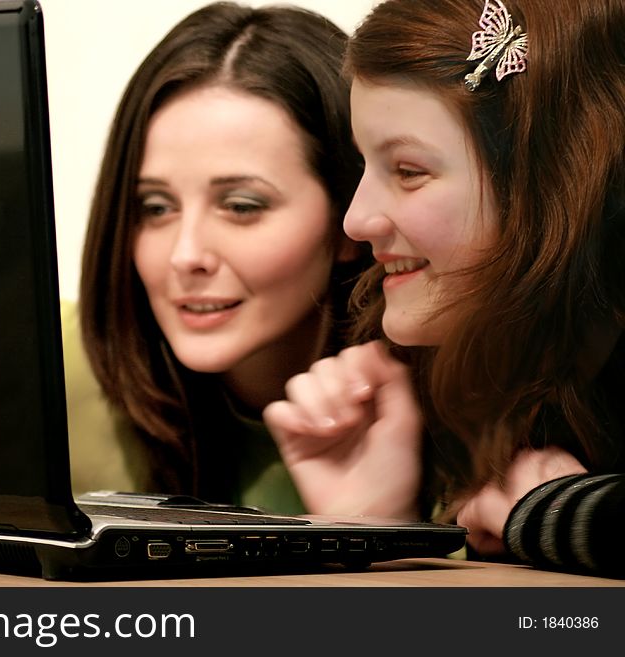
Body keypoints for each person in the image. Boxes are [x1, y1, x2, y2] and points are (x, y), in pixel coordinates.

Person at [264, 0, 625, 575]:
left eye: (408, 171)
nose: (356, 221)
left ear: (550, 180)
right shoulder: (445, 385)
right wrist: (374, 524)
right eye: (364, 166)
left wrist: (557, 515)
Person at [65, 1, 367, 515]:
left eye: (241, 206)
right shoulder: (58, 373)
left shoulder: (451, 409)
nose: (186, 256)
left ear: (351, 219)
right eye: (155, 207)